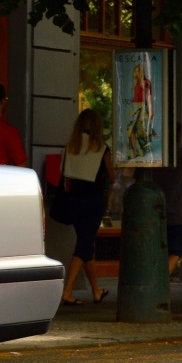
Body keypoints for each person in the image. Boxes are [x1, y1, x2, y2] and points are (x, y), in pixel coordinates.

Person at [59, 108, 116, 305]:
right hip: (93, 202)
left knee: (86, 244)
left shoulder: (70, 146)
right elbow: (112, 176)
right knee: (83, 245)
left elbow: (62, 172)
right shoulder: (101, 148)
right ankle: (67, 291)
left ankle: (96, 290)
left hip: (73, 201)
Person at [151, 125, 182, 278]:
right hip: (175, 211)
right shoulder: (181, 153)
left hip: (153, 210)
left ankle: (156, 279)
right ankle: (160, 281)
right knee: (175, 250)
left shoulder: (152, 151)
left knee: (155, 249)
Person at [125, 61, 155, 159]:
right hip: (134, 106)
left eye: (141, 71)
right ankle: (135, 149)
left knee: (140, 129)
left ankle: (138, 150)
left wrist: (151, 110)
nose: (140, 72)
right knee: (130, 129)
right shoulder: (136, 82)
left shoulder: (147, 82)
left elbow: (149, 96)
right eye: (138, 71)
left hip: (141, 106)